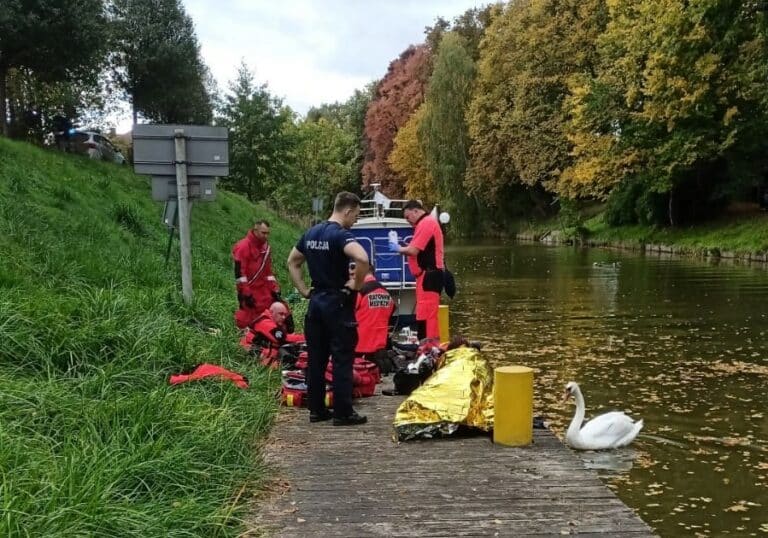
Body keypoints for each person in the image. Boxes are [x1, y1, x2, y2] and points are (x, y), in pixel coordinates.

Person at [287, 192, 370, 426]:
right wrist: (357, 283)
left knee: (316, 358)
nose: (355, 220)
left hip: (316, 303)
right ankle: (343, 412)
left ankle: (316, 410)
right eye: (356, 214)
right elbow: (362, 258)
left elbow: (292, 262)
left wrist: (303, 290)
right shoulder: (340, 235)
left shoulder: (311, 233)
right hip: (338, 302)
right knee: (342, 357)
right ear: (347, 210)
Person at [388, 200, 444, 340]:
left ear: (415, 211)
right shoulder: (423, 224)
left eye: (408, 217)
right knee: (424, 314)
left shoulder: (426, 223)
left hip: (429, 276)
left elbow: (413, 251)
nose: (408, 221)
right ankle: (425, 345)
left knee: (428, 315)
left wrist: (397, 247)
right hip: (425, 276)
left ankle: (430, 347)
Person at [232, 219, 280, 329]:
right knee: (247, 320)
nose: (266, 236)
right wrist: (246, 293)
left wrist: (275, 289)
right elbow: (240, 274)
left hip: (264, 291)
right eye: (263, 233)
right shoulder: (243, 247)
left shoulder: (265, 248)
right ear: (255, 230)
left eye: (268, 233)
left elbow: (268, 272)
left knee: (269, 319)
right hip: (250, 290)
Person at [352, 262, 395, 367]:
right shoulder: (385, 291)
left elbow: (350, 310)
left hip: (360, 340)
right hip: (379, 339)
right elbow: (392, 309)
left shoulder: (361, 290)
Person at [241, 302, 304, 367]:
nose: (283, 317)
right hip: (252, 357)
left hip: (261, 354)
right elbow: (283, 338)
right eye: (281, 314)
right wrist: (308, 337)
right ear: (271, 312)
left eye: (285, 315)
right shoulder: (264, 322)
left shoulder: (273, 321)